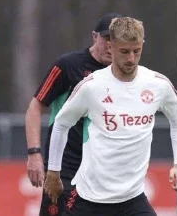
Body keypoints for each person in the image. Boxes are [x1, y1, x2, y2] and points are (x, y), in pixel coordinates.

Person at [44, 17, 177, 215]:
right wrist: (53, 172)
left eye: (136, 51)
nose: (131, 59)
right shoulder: (91, 86)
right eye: (124, 51)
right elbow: (62, 123)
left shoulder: (158, 84)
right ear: (111, 46)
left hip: (133, 199)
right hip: (90, 199)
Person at [24, 13, 120, 216]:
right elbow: (35, 107)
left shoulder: (124, 73)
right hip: (64, 164)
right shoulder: (69, 64)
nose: (111, 46)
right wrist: (34, 153)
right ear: (95, 36)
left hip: (102, 167)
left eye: (116, 41)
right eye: (107, 39)